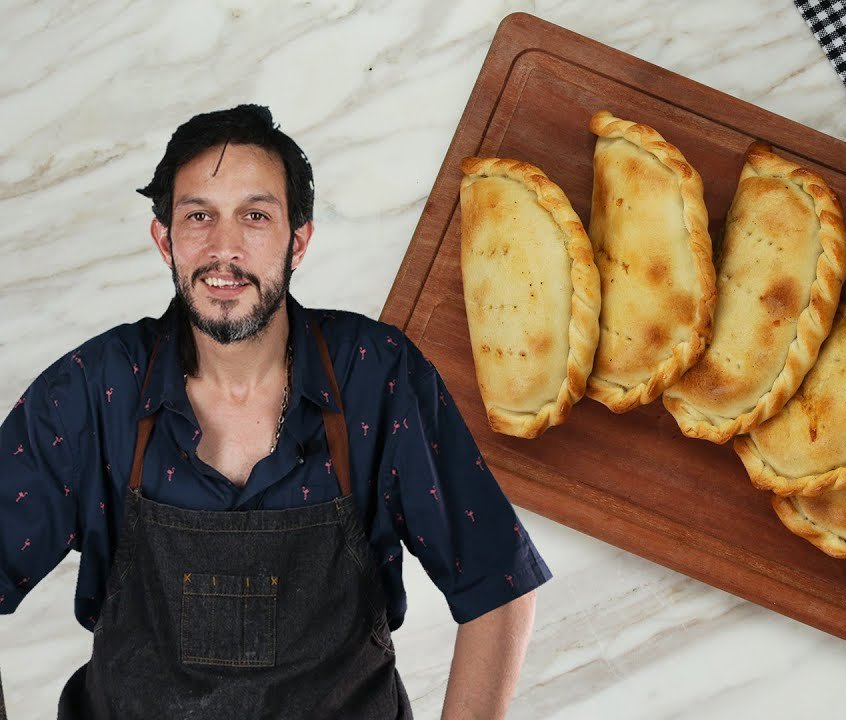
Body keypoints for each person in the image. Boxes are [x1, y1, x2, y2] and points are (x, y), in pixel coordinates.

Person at [0, 105, 549, 718]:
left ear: (298, 241)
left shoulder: (377, 375)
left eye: (255, 216)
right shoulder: (90, 389)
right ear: (165, 240)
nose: (224, 248)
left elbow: (499, 582)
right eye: (199, 216)